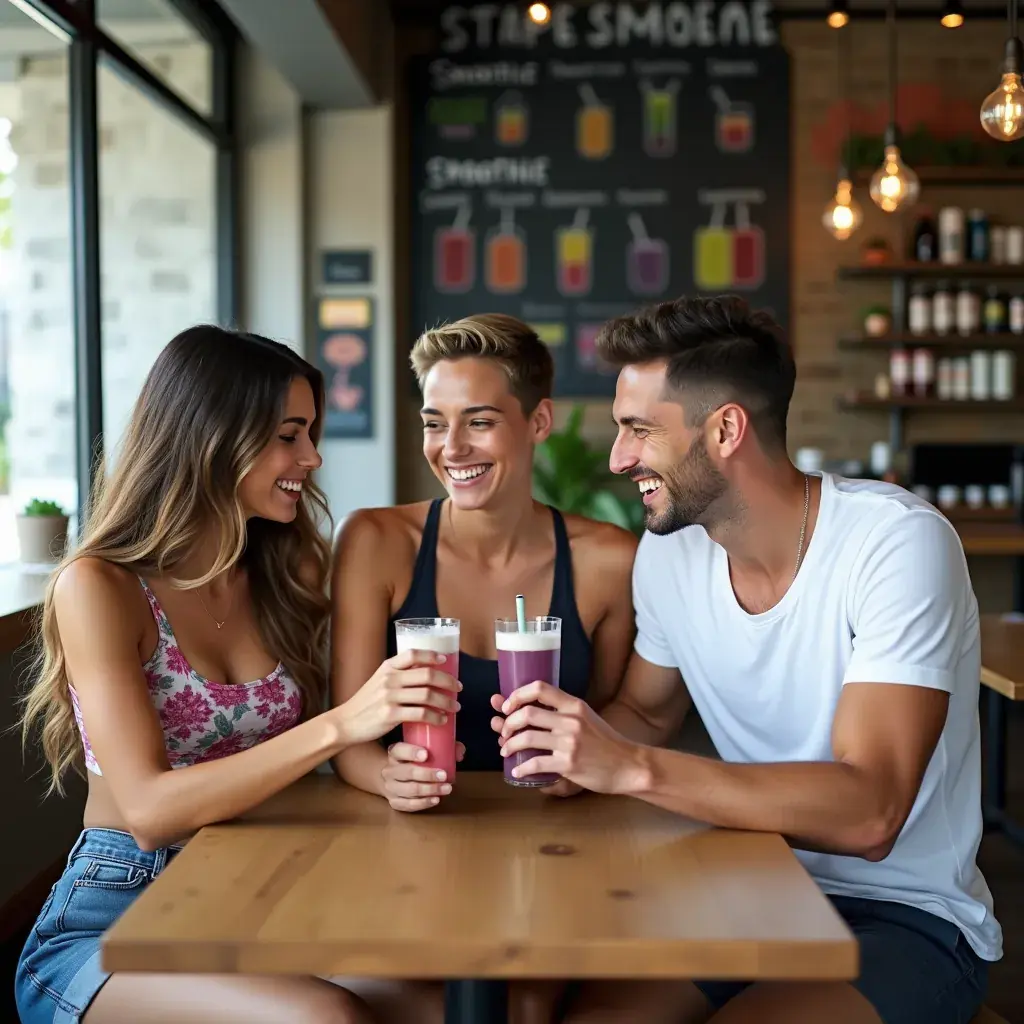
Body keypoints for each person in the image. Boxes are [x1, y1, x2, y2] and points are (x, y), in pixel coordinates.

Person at [492, 295, 1002, 1024]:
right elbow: (644, 711)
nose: (617, 458)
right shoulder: (670, 557)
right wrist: (568, 749)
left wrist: (631, 768)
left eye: (638, 430)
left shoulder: (895, 544)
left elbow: (871, 813)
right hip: (751, 884)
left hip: (908, 916)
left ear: (725, 428)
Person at [15, 326, 459, 1024]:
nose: (311, 458)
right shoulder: (100, 586)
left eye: (311, 433)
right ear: (213, 436)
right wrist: (341, 724)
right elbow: (151, 813)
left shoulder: (286, 570)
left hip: (260, 887)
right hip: (120, 908)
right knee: (327, 1018)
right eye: (290, 434)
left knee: (440, 1002)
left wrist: (390, 764)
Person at [329, 313, 637, 1021]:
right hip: (408, 847)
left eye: (480, 421)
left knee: (525, 1009)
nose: (452, 447)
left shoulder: (608, 561)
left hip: (555, 853)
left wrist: (582, 763)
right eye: (435, 423)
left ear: (539, 421)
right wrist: (387, 776)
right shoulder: (378, 540)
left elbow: (623, 721)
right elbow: (347, 731)